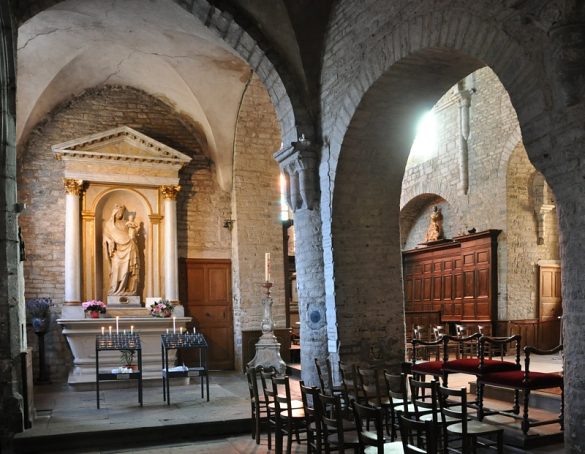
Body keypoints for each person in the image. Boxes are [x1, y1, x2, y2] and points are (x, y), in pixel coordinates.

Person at [103, 204, 140, 295]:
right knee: (116, 270)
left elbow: (132, 234)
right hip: (116, 250)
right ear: (114, 212)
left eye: (122, 212)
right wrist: (109, 240)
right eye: (118, 212)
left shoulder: (126, 223)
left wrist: (133, 232)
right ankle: (115, 290)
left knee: (127, 271)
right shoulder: (109, 224)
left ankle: (126, 289)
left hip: (129, 247)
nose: (120, 214)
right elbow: (105, 237)